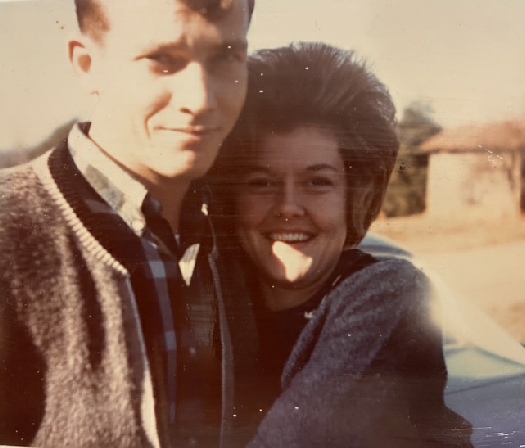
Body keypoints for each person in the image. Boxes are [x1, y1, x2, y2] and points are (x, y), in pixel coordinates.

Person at [0, 0, 254, 446]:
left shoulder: (249, 234)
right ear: (87, 65)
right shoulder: (8, 231)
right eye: (163, 60)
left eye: (226, 57)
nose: (200, 100)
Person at [209, 42, 473, 447]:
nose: (288, 207)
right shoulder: (213, 294)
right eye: (261, 182)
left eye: (318, 182)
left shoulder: (388, 293)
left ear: (355, 195)